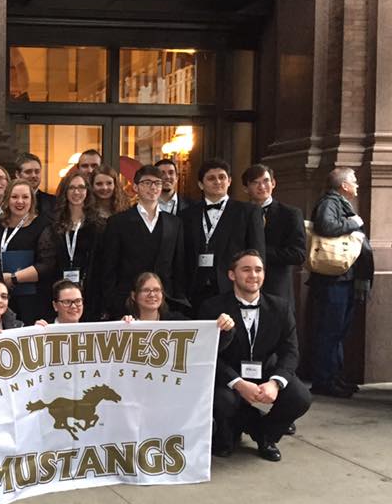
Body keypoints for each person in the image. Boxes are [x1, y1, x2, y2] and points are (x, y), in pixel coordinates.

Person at [200, 251, 311, 461]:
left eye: (258, 270)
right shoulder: (212, 307)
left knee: (300, 397)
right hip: (229, 375)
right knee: (222, 401)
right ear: (232, 275)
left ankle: (265, 435)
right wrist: (238, 383)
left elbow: (291, 351)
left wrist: (275, 383)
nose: (253, 275)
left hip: (265, 370)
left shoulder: (281, 307)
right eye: (246, 269)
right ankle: (234, 427)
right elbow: (208, 354)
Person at [308, 168, 374, 398]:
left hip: (342, 279)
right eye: (354, 181)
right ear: (344, 186)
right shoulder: (329, 202)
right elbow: (325, 227)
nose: (357, 185)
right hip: (333, 280)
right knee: (330, 331)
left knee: (337, 331)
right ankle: (324, 381)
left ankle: (334, 377)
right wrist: (353, 222)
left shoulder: (338, 202)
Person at [100, 164, 187, 319]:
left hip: (164, 303)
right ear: (135, 187)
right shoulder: (118, 222)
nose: (153, 187)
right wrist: (111, 301)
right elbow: (109, 266)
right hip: (126, 303)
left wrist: (178, 299)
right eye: (147, 183)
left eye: (157, 183)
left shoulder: (174, 223)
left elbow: (179, 266)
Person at [181, 158, 265, 315]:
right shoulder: (186, 215)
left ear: (229, 181)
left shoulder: (248, 212)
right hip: (194, 291)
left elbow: (257, 253)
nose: (217, 182)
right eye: (211, 178)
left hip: (232, 288)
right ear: (201, 184)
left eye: (222, 177)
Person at [0, 178, 56, 326]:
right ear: (7, 199)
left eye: (25, 197)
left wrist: (13, 278)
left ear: (32, 200)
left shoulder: (43, 225)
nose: (20, 201)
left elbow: (47, 265)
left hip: (32, 300)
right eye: (14, 197)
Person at [242, 163, 306, 309]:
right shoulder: (239, 213)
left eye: (266, 181)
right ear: (246, 188)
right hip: (243, 287)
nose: (262, 187)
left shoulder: (290, 214)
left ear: (273, 183)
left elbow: (298, 254)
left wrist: (259, 252)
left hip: (277, 288)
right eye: (255, 183)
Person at [44, 169, 104, 321]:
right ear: (65, 191)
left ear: (88, 192)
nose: (77, 192)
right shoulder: (53, 224)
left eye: (81, 187)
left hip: (90, 293)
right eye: (72, 187)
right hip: (58, 293)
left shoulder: (99, 225)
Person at [122, 272, 193, 322]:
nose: (152, 294)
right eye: (146, 290)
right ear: (133, 296)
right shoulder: (128, 322)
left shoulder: (177, 320)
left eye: (156, 290)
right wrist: (121, 326)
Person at [14, 151, 56, 220]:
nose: (34, 175)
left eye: (37, 171)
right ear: (17, 174)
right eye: (28, 172)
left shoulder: (54, 202)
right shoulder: (8, 201)